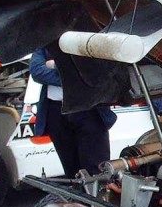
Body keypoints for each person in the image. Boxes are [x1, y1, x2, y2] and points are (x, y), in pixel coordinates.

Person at [30, 47, 116, 178]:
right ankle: (78, 197)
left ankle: (97, 197)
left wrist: (54, 65)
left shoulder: (87, 36)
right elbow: (37, 72)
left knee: (97, 170)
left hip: (89, 110)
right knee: (72, 171)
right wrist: (75, 76)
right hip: (57, 112)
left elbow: (94, 71)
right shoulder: (45, 42)